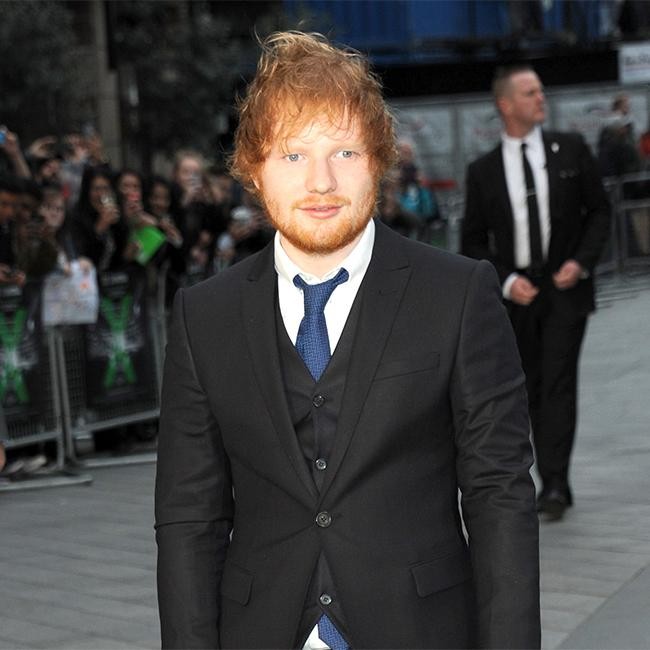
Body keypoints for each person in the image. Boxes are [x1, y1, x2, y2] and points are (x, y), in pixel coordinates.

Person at [156, 32, 540, 650]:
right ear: (253, 169)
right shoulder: (204, 316)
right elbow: (188, 519)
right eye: (292, 154)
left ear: (379, 160)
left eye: (345, 151)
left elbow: (501, 496)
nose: (321, 181)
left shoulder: (458, 293)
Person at [462, 64, 610, 522]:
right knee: (527, 388)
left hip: (565, 289)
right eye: (530, 93)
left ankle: (556, 485)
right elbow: (473, 241)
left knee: (558, 384)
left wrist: (580, 262)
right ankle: (530, 480)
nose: (541, 98)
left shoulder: (572, 149)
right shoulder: (483, 171)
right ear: (506, 105)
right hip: (517, 299)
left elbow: (599, 212)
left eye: (541, 91)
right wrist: (507, 280)